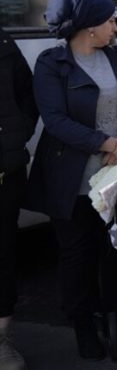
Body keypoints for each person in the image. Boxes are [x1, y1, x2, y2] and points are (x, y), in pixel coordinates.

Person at [26, 0, 117, 360]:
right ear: (90, 27)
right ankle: (82, 325)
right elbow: (55, 120)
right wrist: (105, 144)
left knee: (115, 249)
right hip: (73, 178)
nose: (115, 26)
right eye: (110, 20)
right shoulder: (52, 64)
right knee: (77, 254)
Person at [0, 26, 36, 370]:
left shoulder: (5, 44)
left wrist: (14, 139)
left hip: (5, 171)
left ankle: (0, 341)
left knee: (3, 254)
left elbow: (28, 96)